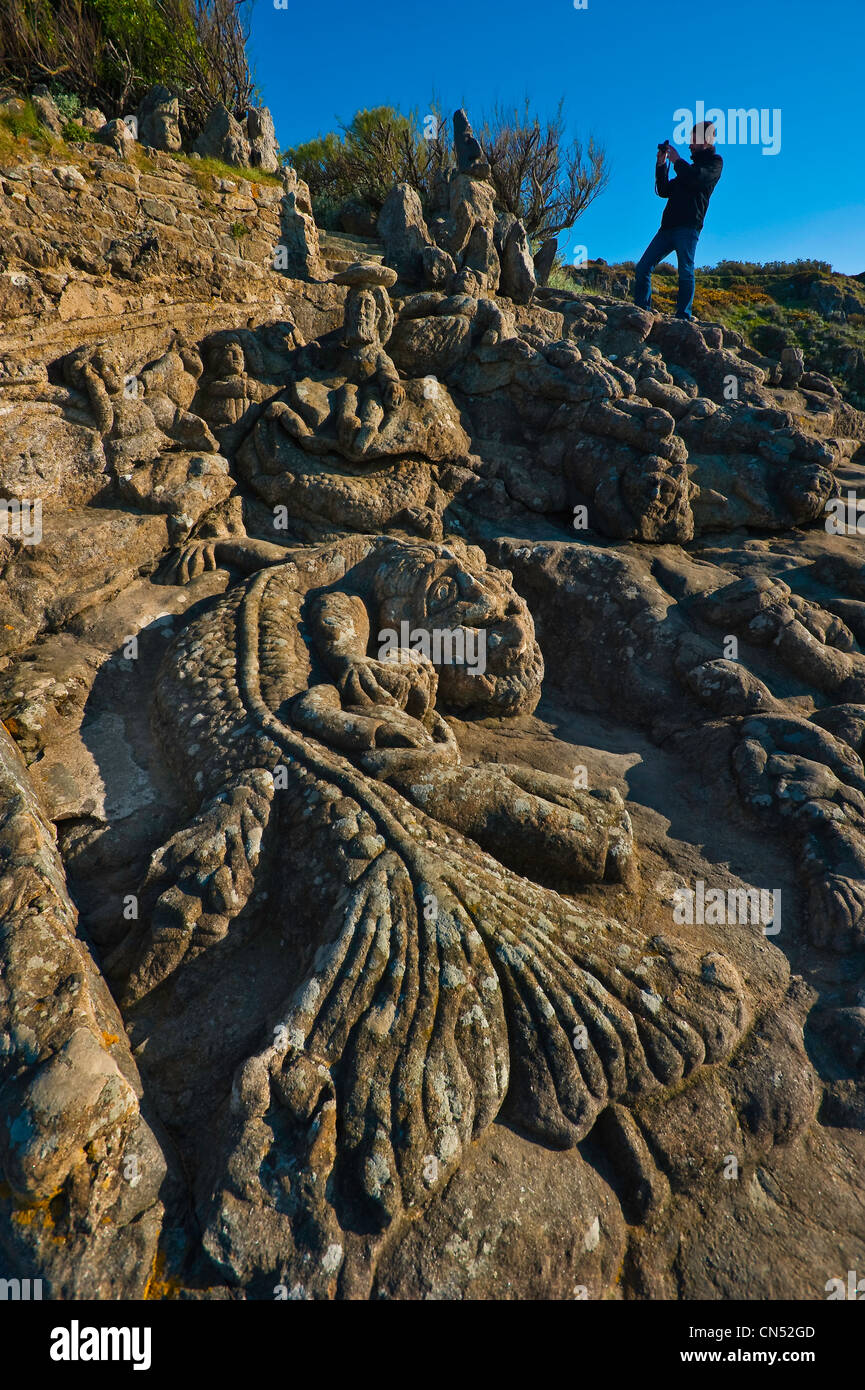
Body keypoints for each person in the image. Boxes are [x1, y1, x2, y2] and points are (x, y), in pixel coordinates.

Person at [633, 121, 723, 322]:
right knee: (643, 268)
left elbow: (697, 179)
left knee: (685, 271)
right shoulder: (687, 169)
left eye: (693, 140)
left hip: (689, 227)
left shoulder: (714, 164)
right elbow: (664, 190)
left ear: (706, 141)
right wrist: (661, 163)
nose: (690, 145)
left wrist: (676, 161)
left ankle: (683, 317)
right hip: (667, 227)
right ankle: (642, 312)